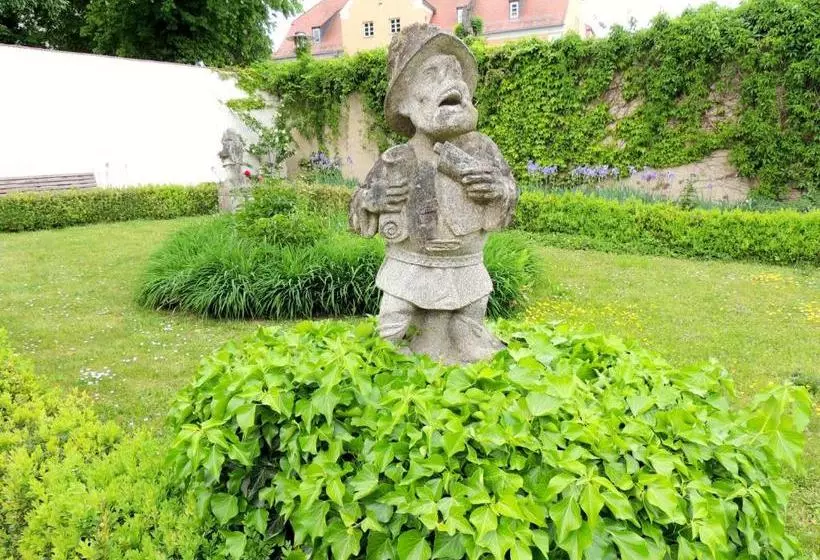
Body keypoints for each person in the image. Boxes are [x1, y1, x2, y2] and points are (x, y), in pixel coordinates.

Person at [349, 23, 517, 363]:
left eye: (456, 72)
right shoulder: (395, 159)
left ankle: (453, 352)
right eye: (432, 74)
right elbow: (358, 207)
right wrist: (370, 201)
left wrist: (499, 190)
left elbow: (510, 192)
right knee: (390, 332)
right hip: (408, 268)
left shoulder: (482, 150)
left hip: (465, 267)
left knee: (469, 336)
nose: (450, 81)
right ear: (406, 105)